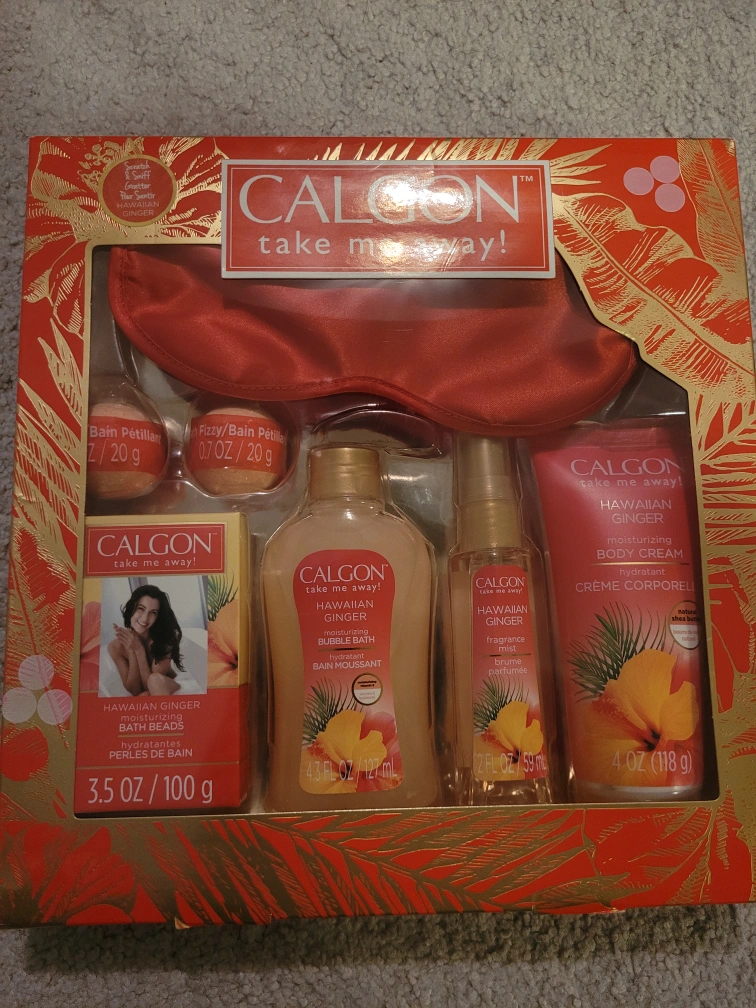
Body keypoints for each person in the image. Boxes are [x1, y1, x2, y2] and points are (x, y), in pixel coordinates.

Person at [107, 585, 185, 696]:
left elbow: (151, 685)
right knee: (143, 695)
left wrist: (139, 650)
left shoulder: (164, 640)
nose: (144, 618)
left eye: (153, 612)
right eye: (141, 608)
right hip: (152, 696)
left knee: (154, 680)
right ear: (132, 608)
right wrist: (132, 651)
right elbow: (135, 691)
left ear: (158, 617)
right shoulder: (115, 647)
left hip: (171, 688)